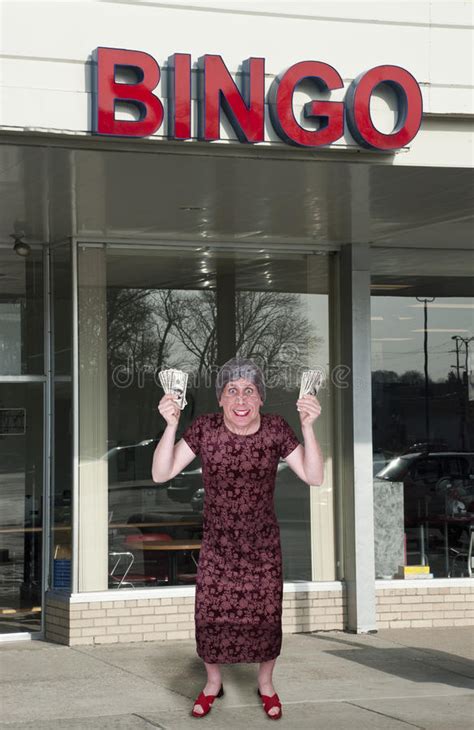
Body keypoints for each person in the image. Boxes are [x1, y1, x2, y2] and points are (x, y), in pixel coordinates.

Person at [152, 357, 324, 720]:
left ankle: (266, 683)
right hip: (218, 546)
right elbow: (161, 473)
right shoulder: (205, 429)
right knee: (210, 616)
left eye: (249, 391)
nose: (241, 399)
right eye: (232, 391)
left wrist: (308, 427)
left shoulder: (277, 430)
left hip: (262, 547)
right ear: (220, 398)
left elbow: (314, 476)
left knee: (265, 616)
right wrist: (170, 425)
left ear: (261, 397)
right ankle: (213, 682)